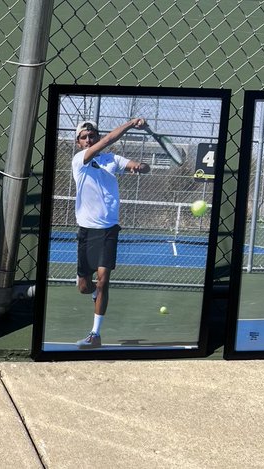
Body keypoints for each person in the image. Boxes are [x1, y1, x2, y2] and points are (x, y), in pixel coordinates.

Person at [71, 119, 151, 349]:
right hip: (86, 230)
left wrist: (141, 167)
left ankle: (95, 335)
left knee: (103, 281)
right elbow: (109, 139)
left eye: (92, 135)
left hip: (108, 230)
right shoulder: (80, 160)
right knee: (85, 288)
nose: (89, 139)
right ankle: (89, 288)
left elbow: (140, 166)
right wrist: (129, 124)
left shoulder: (112, 159)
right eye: (84, 137)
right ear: (78, 143)